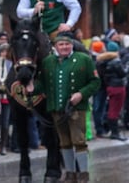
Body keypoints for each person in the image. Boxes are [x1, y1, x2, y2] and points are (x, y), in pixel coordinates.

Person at [34, 32, 100, 183]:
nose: (64, 47)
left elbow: (95, 82)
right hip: (56, 108)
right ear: (56, 46)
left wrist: (81, 94)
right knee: (64, 142)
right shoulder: (48, 62)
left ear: (72, 45)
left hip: (77, 108)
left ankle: (83, 174)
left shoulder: (84, 60)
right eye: (61, 44)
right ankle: (70, 174)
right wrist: (31, 87)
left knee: (79, 141)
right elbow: (42, 84)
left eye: (67, 44)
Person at [97, 42, 127, 141]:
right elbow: (122, 73)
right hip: (118, 86)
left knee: (111, 108)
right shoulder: (116, 61)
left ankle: (112, 131)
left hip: (109, 86)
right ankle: (115, 132)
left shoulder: (102, 61)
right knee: (115, 110)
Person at [0, 43, 12, 155]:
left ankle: (3, 145)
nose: (4, 53)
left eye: (6, 51)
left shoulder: (11, 64)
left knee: (5, 122)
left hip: (7, 95)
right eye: (3, 51)